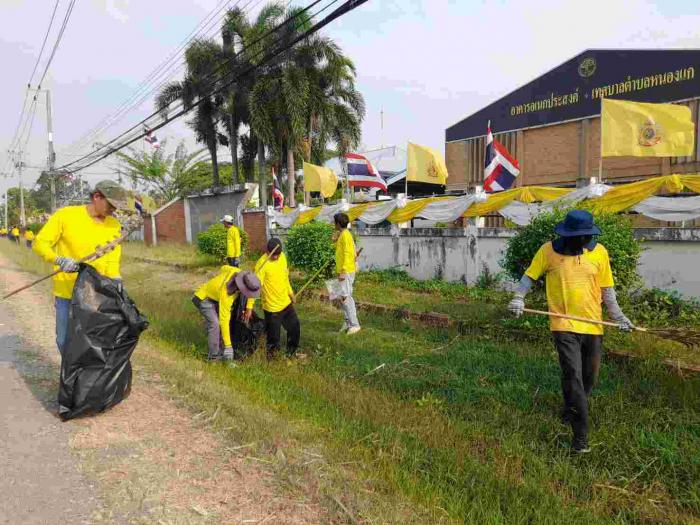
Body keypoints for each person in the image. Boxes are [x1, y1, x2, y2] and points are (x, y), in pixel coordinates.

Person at [507, 210, 634, 454]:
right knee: (573, 374)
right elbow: (528, 277)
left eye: (586, 237)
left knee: (588, 378)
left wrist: (618, 317)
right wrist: (518, 298)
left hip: (594, 325)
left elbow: (607, 289)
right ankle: (581, 436)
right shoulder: (548, 251)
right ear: (568, 234)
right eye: (579, 237)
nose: (583, 241)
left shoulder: (599, 252)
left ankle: (571, 409)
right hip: (563, 325)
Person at [33, 180, 130, 355]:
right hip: (68, 292)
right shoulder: (66, 215)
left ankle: (87, 381)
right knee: (64, 340)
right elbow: (40, 243)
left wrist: (117, 283)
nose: (113, 210)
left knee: (94, 342)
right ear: (97, 196)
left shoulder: (114, 224)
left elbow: (112, 260)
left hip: (98, 295)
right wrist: (59, 259)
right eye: (111, 204)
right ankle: (71, 375)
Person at [245, 238, 300, 359]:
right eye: (273, 255)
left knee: (295, 327)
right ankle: (272, 360)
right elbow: (255, 287)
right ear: (267, 251)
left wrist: (291, 293)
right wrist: (249, 307)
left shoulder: (283, 258)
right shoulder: (262, 264)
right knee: (274, 338)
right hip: (272, 308)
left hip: (286, 303)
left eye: (278, 254)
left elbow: (285, 278)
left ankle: (291, 353)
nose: (276, 257)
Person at [193, 266, 261, 362]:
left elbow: (223, 267)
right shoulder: (227, 294)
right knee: (215, 324)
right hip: (203, 299)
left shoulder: (238, 273)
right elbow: (224, 320)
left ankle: (220, 352)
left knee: (218, 326)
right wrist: (229, 346)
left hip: (215, 298)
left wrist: (249, 307)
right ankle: (213, 358)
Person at [333, 212, 361, 334]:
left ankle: (354, 325)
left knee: (346, 297)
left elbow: (348, 254)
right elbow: (343, 251)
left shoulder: (346, 235)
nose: (333, 224)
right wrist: (334, 240)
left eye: (334, 222)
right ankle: (348, 322)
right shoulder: (343, 234)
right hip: (342, 270)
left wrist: (343, 271)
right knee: (340, 296)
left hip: (346, 270)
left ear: (338, 224)